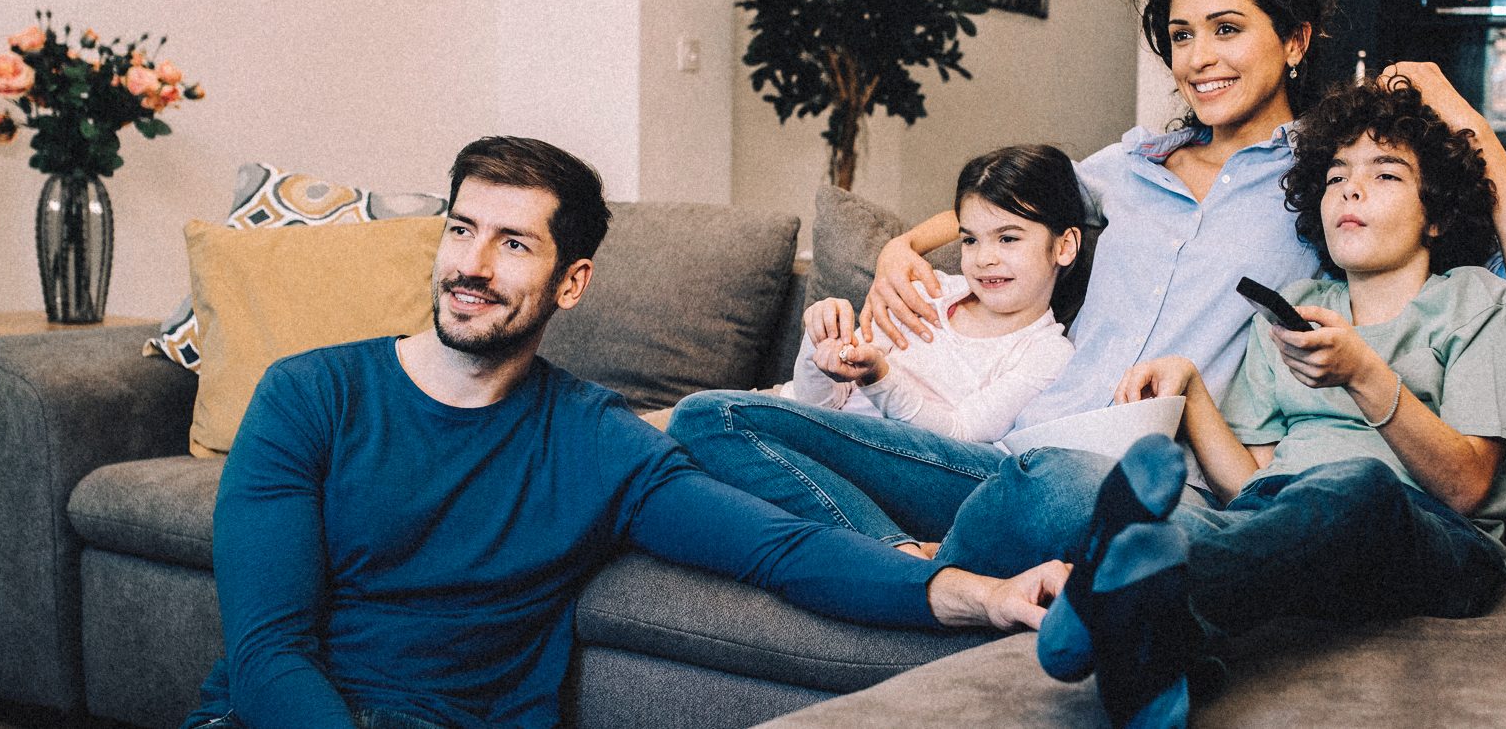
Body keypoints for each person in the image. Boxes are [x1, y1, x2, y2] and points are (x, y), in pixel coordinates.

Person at [181, 137, 1066, 729]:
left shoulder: (599, 441)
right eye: (462, 231)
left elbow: (781, 550)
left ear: (572, 282)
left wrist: (981, 593)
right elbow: (267, 651)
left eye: (514, 245)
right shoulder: (309, 397)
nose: (472, 267)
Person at [937, 80, 1506, 728]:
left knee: (1354, 485)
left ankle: (1114, 603)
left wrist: (1363, 374)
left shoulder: (1476, 301)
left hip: (1433, 538)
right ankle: (1148, 636)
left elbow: (1467, 485)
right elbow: (1250, 482)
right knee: (1082, 479)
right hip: (1275, 521)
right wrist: (1192, 390)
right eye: (1335, 175)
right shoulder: (1293, 305)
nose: (1351, 189)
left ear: (1436, 212)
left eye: (1384, 174)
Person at [861, 0, 1506, 435]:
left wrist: (1464, 117)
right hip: (1024, 437)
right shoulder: (1129, 166)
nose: (1198, 58)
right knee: (749, 429)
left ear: (1294, 39)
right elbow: (1013, 207)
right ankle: (923, 560)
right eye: (1181, 36)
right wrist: (905, 247)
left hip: (1159, 468)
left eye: (1226, 29)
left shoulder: (1337, 182)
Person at [669, 145, 1086, 558]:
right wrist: (821, 353)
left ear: (1064, 246)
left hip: (912, 471)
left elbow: (962, 435)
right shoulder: (925, 292)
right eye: (971, 240)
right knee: (673, 464)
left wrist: (880, 378)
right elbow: (822, 407)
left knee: (704, 417)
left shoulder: (1046, 352)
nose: (984, 259)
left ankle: (885, 551)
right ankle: (894, 552)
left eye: (1008, 238)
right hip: (833, 452)